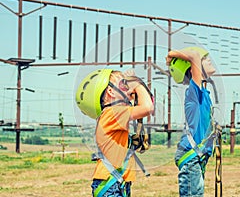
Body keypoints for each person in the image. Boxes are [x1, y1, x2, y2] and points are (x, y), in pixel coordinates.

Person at [75, 69, 154, 197]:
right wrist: (137, 83)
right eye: (123, 84)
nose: (128, 87)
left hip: (115, 182)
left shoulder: (112, 114)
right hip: (111, 184)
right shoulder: (114, 112)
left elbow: (143, 107)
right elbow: (147, 108)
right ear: (111, 91)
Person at [166, 46, 216, 197]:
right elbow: (194, 55)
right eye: (205, 59)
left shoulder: (203, 93)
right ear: (193, 68)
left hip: (196, 155)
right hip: (191, 155)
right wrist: (171, 55)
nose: (209, 60)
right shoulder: (194, 91)